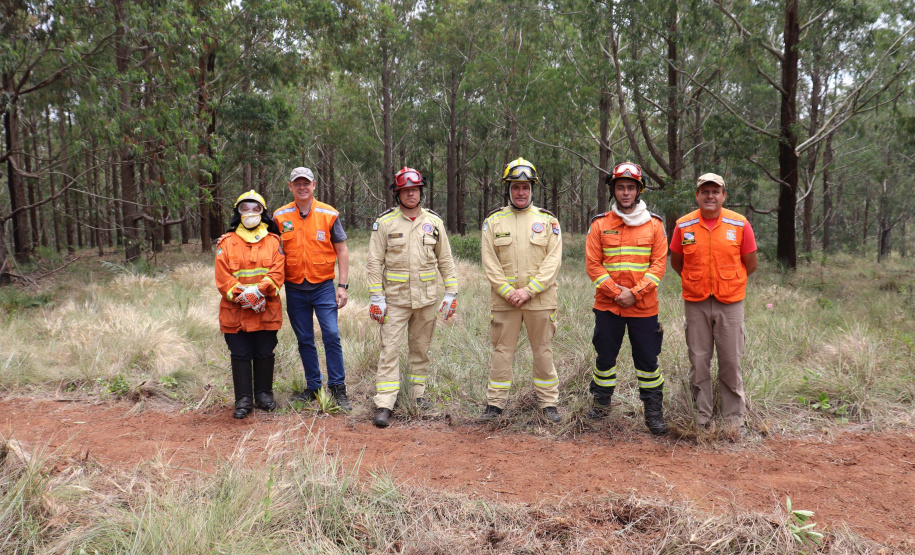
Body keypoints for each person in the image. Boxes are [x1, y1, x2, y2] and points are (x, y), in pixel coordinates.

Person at [366, 167, 459, 428]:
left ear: (421, 192)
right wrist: (376, 298)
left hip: (427, 300)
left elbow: (446, 259)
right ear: (397, 194)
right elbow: (374, 262)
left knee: (420, 348)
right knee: (390, 350)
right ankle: (385, 402)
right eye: (405, 190)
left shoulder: (434, 222)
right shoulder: (385, 223)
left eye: (415, 189)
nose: (411, 194)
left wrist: (451, 292)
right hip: (394, 301)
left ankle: (417, 395)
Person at [670, 173, 758, 436]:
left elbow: (750, 262)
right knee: (699, 361)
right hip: (696, 302)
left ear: (724, 196)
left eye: (715, 191)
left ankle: (734, 419)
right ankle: (702, 417)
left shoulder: (739, 223)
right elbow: (677, 262)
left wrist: (728, 282)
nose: (710, 196)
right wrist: (697, 281)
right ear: (697, 195)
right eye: (704, 191)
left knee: (731, 360)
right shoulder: (684, 225)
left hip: (730, 303)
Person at [585, 162, 669, 435]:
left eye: (630, 188)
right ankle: (600, 406)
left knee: (647, 362)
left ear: (638, 190)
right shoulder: (599, 224)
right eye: (620, 187)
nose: (625, 193)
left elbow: (658, 265)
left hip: (643, 307)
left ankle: (653, 414)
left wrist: (634, 293)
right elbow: (593, 265)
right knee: (605, 358)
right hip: (608, 307)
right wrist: (615, 292)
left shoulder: (654, 225)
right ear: (613, 190)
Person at [480, 157, 563, 423]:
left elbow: (553, 261)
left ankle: (548, 404)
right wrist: (508, 291)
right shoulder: (493, 222)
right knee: (502, 352)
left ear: (532, 189)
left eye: (525, 187)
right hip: (505, 302)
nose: (520, 192)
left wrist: (529, 291)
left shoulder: (548, 221)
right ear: (508, 188)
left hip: (540, 300)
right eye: (515, 186)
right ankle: (495, 405)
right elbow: (489, 262)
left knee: (543, 351)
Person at [273, 167, 352, 411]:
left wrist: (342, 286)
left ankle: (338, 389)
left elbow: (342, 251)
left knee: (331, 335)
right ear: (290, 187)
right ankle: (313, 387)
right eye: (297, 183)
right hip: (295, 288)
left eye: (306, 183)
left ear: (314, 185)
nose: (302, 187)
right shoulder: (280, 216)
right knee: (305, 339)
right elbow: (272, 251)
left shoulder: (328, 214)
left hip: (323, 286)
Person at [215, 191, 285, 419]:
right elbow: (222, 276)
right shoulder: (226, 242)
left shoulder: (274, 241)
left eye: (256, 208)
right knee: (240, 353)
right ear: (238, 212)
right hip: (236, 311)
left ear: (263, 212)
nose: (251, 213)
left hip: (266, 309)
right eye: (246, 208)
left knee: (265, 351)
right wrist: (243, 294)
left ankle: (264, 395)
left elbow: (278, 270)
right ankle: (243, 400)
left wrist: (260, 290)